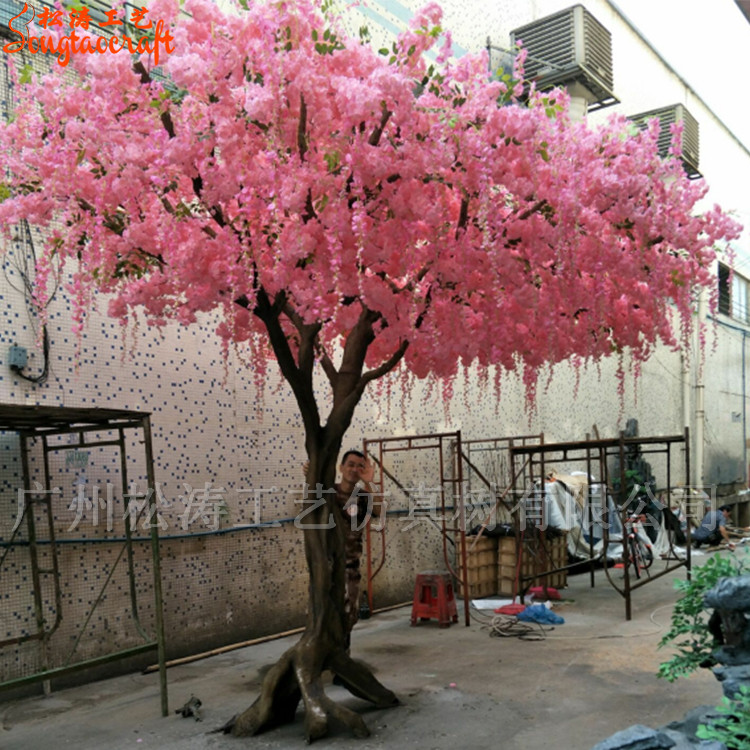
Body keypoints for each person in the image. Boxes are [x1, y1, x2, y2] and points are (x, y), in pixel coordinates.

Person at [333, 449, 383, 638]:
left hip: (350, 568)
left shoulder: (362, 496)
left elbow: (379, 510)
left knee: (348, 616)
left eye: (360, 466)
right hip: (327, 566)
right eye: (351, 464)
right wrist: (309, 475)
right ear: (341, 467)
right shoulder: (328, 491)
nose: (354, 469)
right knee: (323, 614)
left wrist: (369, 481)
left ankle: (342, 654)